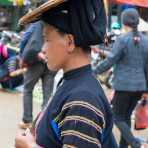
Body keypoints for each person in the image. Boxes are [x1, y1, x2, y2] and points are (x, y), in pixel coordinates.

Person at [15, 0, 118, 148]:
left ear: (69, 42)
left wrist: (30, 146)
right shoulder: (72, 82)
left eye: (47, 39)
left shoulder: (83, 100)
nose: (43, 48)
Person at [94, 8, 148, 148]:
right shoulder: (145, 41)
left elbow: (111, 60)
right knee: (126, 116)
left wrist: (94, 71)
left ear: (124, 22)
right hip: (140, 86)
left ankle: (135, 143)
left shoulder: (122, 39)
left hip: (124, 85)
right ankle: (124, 146)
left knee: (117, 117)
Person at [18, 20, 56, 129]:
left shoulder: (37, 23)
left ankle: (27, 120)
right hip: (51, 60)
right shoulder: (57, 22)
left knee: (27, 89)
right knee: (47, 94)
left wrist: (22, 56)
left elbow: (25, 39)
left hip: (35, 61)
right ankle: (44, 123)